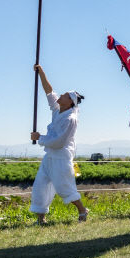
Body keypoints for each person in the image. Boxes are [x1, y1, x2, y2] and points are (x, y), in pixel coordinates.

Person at [29, 65, 88, 224]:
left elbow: (59, 141)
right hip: (50, 157)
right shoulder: (57, 109)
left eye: (63, 96)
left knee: (64, 188)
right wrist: (41, 72)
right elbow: (49, 91)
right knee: (40, 186)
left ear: (70, 102)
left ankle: (82, 210)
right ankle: (41, 219)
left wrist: (39, 137)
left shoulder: (70, 119)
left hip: (61, 158)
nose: (59, 96)